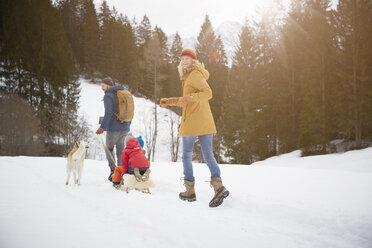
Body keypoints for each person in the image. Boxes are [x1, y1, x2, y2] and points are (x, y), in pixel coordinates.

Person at [160, 48, 229, 208]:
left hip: (193, 122)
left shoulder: (196, 75)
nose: (184, 61)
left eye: (187, 59)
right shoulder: (189, 76)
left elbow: (208, 93)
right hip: (203, 121)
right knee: (207, 154)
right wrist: (170, 101)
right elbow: (186, 100)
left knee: (186, 155)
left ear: (193, 61)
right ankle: (218, 187)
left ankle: (190, 191)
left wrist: (190, 97)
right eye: (182, 59)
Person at [96, 77, 131, 181]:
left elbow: (108, 113)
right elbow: (129, 111)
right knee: (120, 151)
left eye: (103, 86)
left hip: (114, 129)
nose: (102, 88)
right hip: (125, 127)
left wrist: (102, 127)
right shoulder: (123, 94)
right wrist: (127, 125)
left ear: (109, 85)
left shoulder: (108, 96)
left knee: (109, 149)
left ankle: (113, 172)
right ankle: (121, 173)